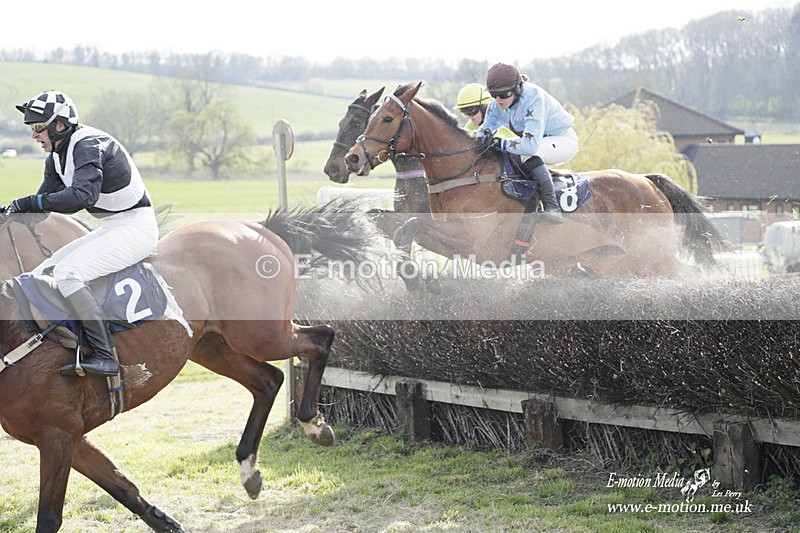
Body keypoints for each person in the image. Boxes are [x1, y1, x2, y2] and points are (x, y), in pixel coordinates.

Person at [3, 90, 159, 377]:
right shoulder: (57, 156)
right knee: (42, 275)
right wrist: (9, 213)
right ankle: (64, 342)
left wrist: (26, 204)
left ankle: (104, 354)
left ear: (60, 125)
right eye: (32, 129)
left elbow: (81, 197)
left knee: (68, 274)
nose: (34, 136)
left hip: (137, 228)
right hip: (113, 227)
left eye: (38, 128)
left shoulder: (88, 145)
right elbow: (42, 203)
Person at [478, 63, 580, 225]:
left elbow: (530, 146)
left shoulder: (534, 98)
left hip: (562, 140)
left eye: (504, 95)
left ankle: (551, 206)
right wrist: (480, 139)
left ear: (518, 88)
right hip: (539, 142)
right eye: (493, 94)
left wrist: (500, 142)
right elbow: (485, 130)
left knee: (528, 152)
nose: (498, 100)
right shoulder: (497, 103)